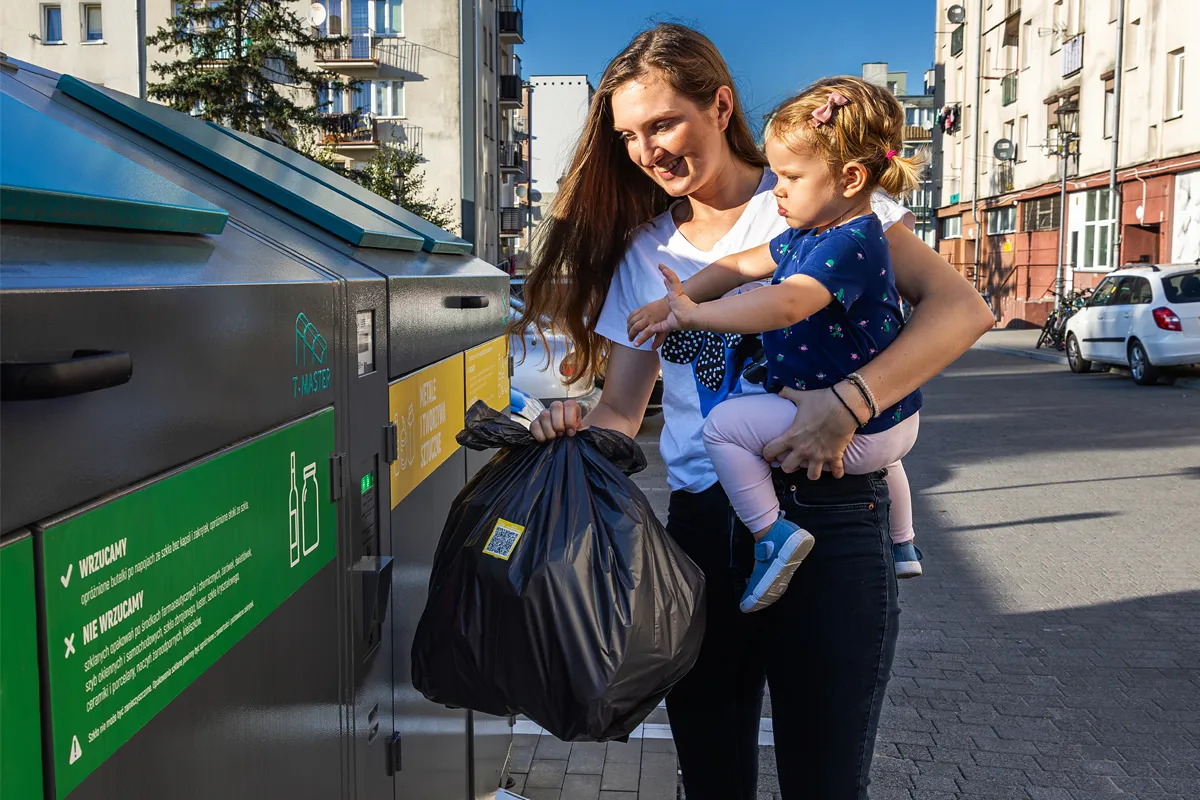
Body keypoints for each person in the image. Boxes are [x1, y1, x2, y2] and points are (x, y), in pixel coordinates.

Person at [516, 23, 993, 800]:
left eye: (664, 122)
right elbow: (620, 409)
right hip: (704, 536)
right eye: (630, 135)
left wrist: (850, 403)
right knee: (711, 781)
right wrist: (569, 427)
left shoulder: (822, 203)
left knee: (826, 782)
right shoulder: (645, 253)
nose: (648, 150)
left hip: (832, 521)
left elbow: (961, 309)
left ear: (720, 105)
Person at [627, 77, 927, 615]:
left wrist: (699, 316)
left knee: (723, 427)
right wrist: (673, 304)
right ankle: (903, 540)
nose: (778, 189)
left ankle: (771, 535)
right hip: (887, 418)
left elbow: (788, 303)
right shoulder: (814, 232)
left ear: (851, 178)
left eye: (790, 176)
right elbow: (738, 266)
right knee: (889, 459)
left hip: (858, 432)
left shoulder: (849, 242)